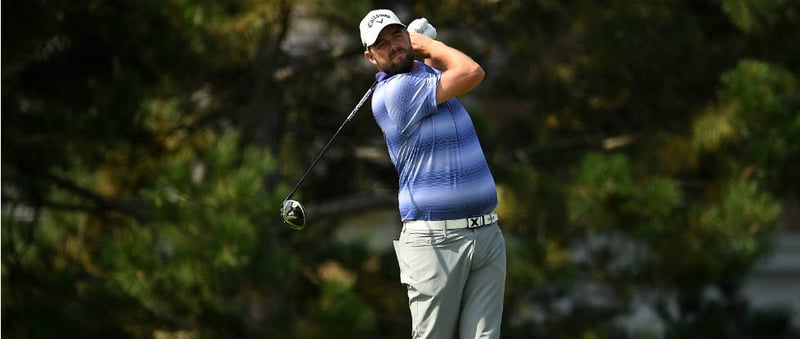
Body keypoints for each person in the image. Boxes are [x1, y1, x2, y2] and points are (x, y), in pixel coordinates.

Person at [359, 9, 507, 339]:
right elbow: (471, 71)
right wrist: (426, 44)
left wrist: (423, 50)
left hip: (486, 234)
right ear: (371, 57)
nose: (393, 46)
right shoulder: (394, 94)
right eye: (382, 44)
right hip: (437, 242)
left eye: (397, 36)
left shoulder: (423, 79)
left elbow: (433, 71)